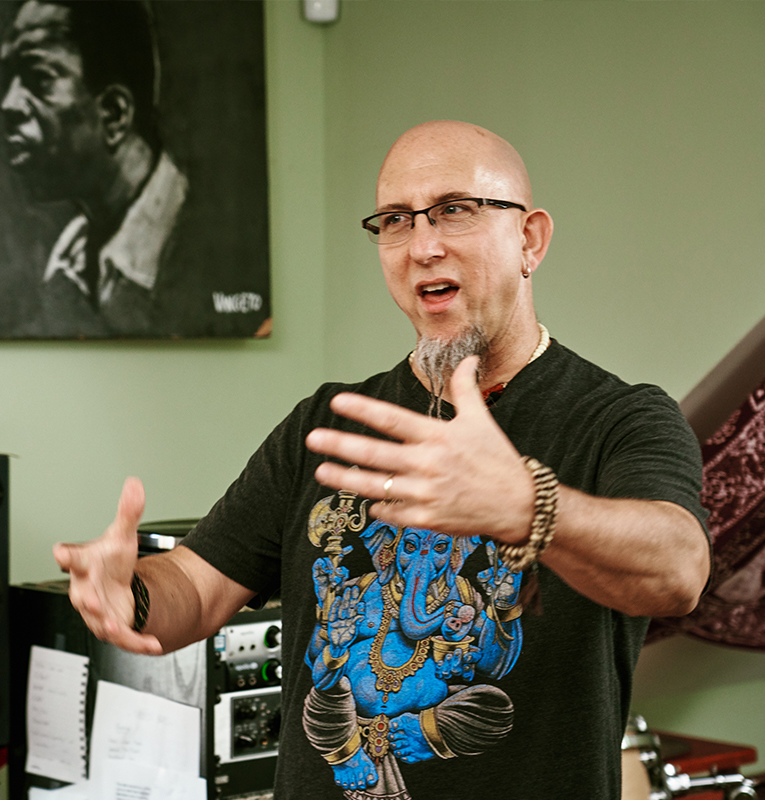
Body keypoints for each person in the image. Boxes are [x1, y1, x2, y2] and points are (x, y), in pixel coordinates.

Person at [54, 120, 712, 799]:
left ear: (530, 239)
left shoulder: (618, 418)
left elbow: (678, 569)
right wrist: (127, 593)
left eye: (454, 210)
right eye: (396, 220)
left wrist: (528, 505)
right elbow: (194, 588)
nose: (422, 246)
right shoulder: (328, 420)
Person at [0, 0, 188, 336]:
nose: (9, 104)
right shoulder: (67, 261)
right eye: (10, 79)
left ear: (114, 114)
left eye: (38, 78)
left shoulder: (202, 238)